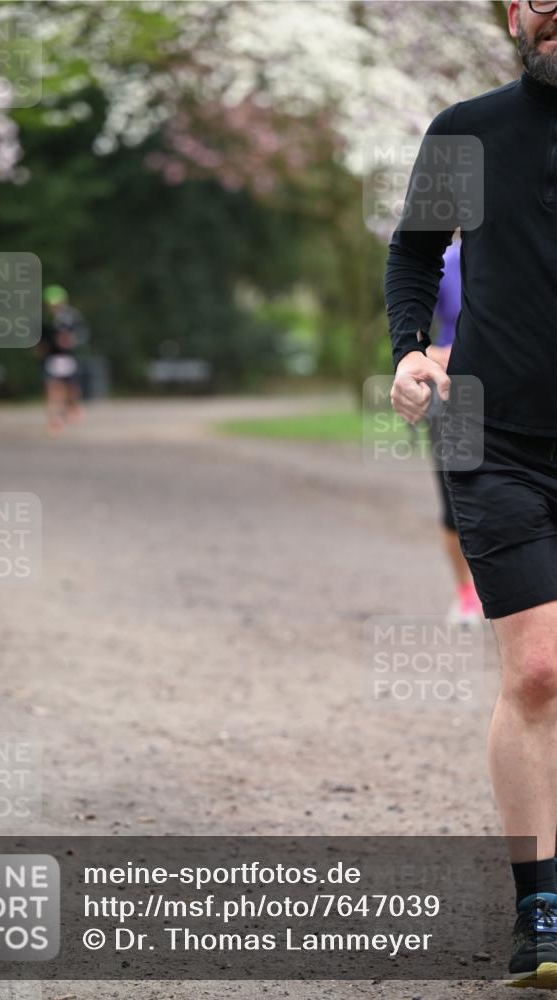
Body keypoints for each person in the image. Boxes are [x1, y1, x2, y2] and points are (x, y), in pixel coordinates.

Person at [385, 0, 557, 989]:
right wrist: (409, 349)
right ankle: (541, 914)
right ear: (510, 14)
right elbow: (414, 248)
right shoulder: (466, 130)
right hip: (489, 435)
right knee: (536, 672)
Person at [426, 235, 484, 626]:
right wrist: (432, 354)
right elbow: (408, 332)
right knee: (457, 501)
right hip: (453, 390)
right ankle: (467, 593)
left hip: (521, 390)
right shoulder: (442, 261)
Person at [38, 285, 90, 435]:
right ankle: (55, 420)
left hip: (68, 357)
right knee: (53, 389)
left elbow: (83, 334)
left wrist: (72, 340)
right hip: (52, 358)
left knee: (71, 388)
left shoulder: (72, 317)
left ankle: (73, 407)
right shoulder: (44, 319)